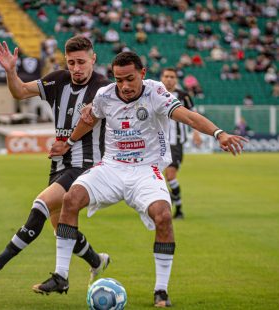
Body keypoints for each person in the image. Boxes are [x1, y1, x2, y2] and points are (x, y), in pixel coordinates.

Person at [32, 51, 247, 307]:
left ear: (142, 74)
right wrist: (68, 143)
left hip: (146, 170)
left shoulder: (155, 92)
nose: (124, 86)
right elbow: (88, 121)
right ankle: (61, 276)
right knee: (71, 198)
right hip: (111, 167)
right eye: (119, 79)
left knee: (164, 216)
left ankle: (161, 291)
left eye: (130, 79)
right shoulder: (105, 96)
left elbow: (187, 116)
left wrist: (219, 133)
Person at [0, 36, 112, 283]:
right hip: (60, 163)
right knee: (61, 228)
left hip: (86, 164)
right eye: (71, 62)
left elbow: (90, 118)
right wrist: (11, 72)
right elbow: (19, 91)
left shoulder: (102, 88)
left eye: (81, 62)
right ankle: (98, 261)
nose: (76, 68)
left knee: (40, 204)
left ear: (93, 59)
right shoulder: (58, 79)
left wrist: (68, 142)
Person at [160, 68, 201, 219]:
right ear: (161, 78)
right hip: (156, 143)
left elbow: (193, 115)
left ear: (176, 79)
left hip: (175, 143)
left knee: (170, 176)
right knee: (156, 176)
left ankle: (179, 209)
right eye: (166, 76)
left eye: (172, 77)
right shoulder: (154, 92)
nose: (169, 79)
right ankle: (162, 203)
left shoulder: (183, 96)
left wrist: (196, 132)